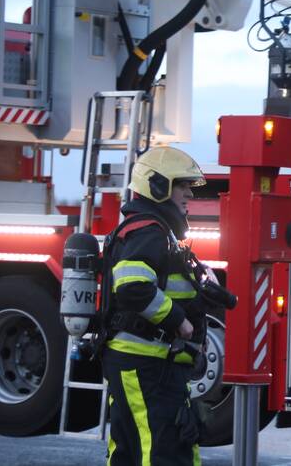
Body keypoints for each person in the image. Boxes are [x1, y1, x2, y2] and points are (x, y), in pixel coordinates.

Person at [101, 146, 208, 466]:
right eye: (182, 185)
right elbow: (133, 286)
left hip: (143, 364)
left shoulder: (152, 230)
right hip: (147, 365)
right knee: (163, 451)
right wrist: (180, 322)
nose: (189, 192)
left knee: (131, 451)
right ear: (158, 186)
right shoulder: (149, 231)